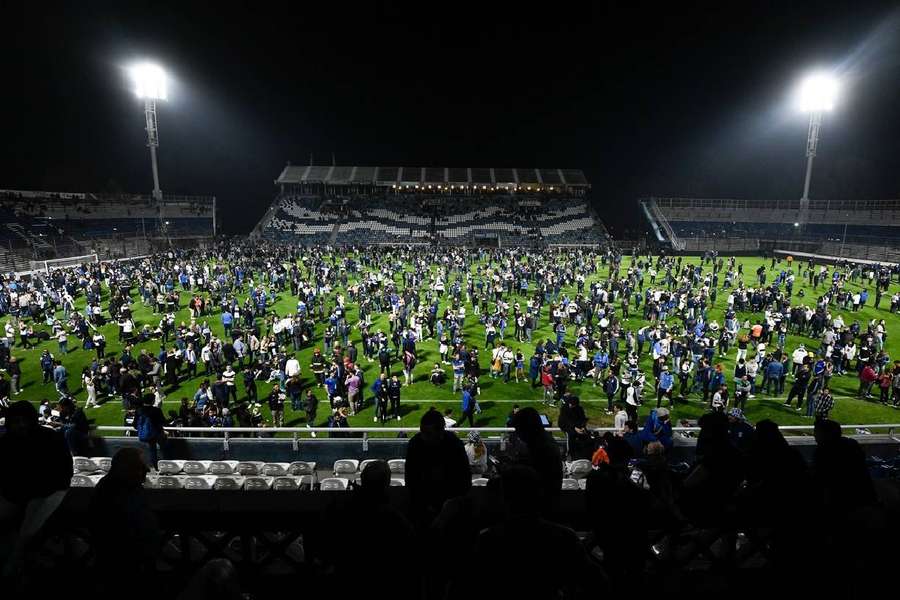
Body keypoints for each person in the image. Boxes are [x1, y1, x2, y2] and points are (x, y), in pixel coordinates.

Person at [0, 401, 73, 578]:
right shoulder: (6, 442)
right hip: (18, 493)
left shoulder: (50, 438)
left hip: (49, 492)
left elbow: (63, 473)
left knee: (27, 531)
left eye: (24, 420)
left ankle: (11, 569)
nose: (21, 425)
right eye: (16, 421)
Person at [89, 448, 161, 599]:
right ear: (126, 468)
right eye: (139, 466)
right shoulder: (113, 491)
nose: (146, 470)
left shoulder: (128, 486)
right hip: (124, 565)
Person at [405, 409, 471, 527]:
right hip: (423, 507)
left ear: (440, 432)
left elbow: (465, 479)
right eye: (422, 431)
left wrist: (449, 507)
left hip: (450, 509)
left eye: (428, 433)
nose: (423, 436)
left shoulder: (454, 445)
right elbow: (411, 480)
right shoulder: (415, 444)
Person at [135, 394, 166, 468]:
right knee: (161, 449)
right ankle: (161, 466)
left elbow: (134, 424)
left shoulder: (138, 410)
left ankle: (155, 467)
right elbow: (163, 422)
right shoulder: (156, 410)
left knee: (152, 451)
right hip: (155, 434)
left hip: (143, 435)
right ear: (152, 401)